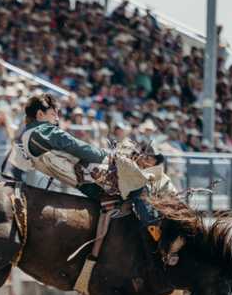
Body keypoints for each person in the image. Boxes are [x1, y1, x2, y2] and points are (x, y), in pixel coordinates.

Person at [9, 93, 162, 240]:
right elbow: (75, 146)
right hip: (93, 175)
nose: (56, 115)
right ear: (40, 115)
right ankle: (155, 229)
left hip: (83, 184)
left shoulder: (27, 136)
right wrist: (107, 156)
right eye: (53, 112)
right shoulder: (43, 130)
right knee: (139, 185)